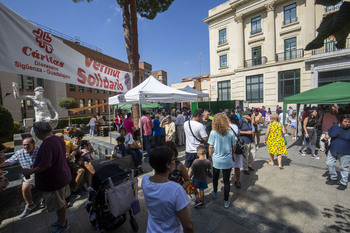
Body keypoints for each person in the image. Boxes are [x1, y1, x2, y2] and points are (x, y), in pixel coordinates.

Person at [23, 122, 71, 233]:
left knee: (60, 205)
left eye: (35, 133)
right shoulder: (58, 139)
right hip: (62, 176)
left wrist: (31, 170)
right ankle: (61, 220)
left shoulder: (47, 143)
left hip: (55, 180)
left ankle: (63, 224)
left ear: (38, 132)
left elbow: (45, 165)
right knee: (62, 202)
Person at [142, 147, 194, 233]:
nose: (175, 161)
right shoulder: (176, 189)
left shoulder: (145, 180)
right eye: (173, 159)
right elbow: (188, 226)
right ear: (168, 164)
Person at [0, 137, 39, 218]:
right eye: (24, 145)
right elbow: (8, 162)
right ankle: (30, 205)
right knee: (25, 188)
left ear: (33, 144)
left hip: (41, 173)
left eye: (27, 145)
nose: (25, 147)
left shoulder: (40, 151)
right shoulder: (20, 153)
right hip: (29, 175)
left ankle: (44, 200)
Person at [208, 113, 236, 208]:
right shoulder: (230, 132)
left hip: (216, 159)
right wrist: (233, 155)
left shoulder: (213, 132)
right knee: (226, 180)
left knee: (215, 177)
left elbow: (211, 146)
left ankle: (215, 191)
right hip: (227, 159)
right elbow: (234, 146)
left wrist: (210, 156)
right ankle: (226, 200)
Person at [324, 114, 350, 190]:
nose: (347, 123)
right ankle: (333, 178)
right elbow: (328, 134)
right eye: (345, 121)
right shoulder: (335, 127)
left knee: (343, 167)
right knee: (329, 163)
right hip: (333, 150)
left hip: (346, 153)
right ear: (341, 121)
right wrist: (325, 138)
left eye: (349, 122)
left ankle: (343, 182)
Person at [228, 114, 243, 189]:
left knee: (228, 166)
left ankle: (227, 181)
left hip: (229, 147)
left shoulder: (227, 127)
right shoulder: (236, 126)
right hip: (237, 147)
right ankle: (237, 182)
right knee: (237, 166)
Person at [239, 111, 256, 175]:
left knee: (253, 155)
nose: (250, 116)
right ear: (245, 115)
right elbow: (237, 131)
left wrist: (253, 139)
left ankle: (249, 165)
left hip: (251, 140)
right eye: (249, 115)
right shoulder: (240, 121)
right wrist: (246, 132)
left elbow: (252, 130)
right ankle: (245, 168)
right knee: (245, 156)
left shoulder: (249, 122)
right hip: (244, 141)